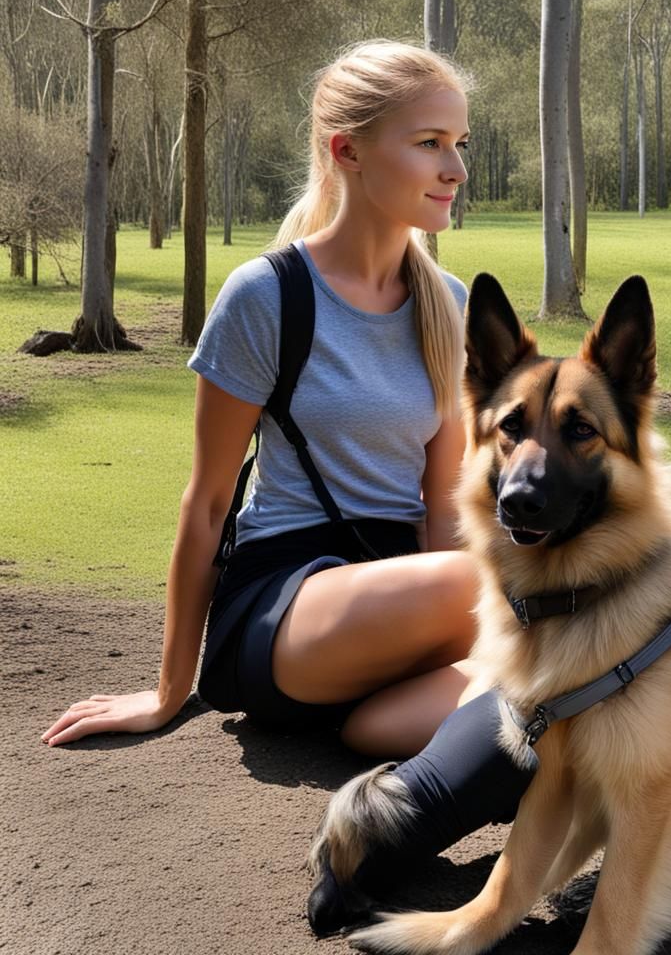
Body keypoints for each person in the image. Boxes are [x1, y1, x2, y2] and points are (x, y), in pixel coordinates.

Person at [42, 40, 485, 755]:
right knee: (506, 582)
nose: (456, 169)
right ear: (349, 151)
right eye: (431, 143)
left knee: (550, 683)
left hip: (407, 608)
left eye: (460, 143)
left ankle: (378, 727)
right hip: (287, 605)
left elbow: (443, 502)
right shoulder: (268, 295)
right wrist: (166, 691)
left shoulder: (449, 305)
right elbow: (209, 503)